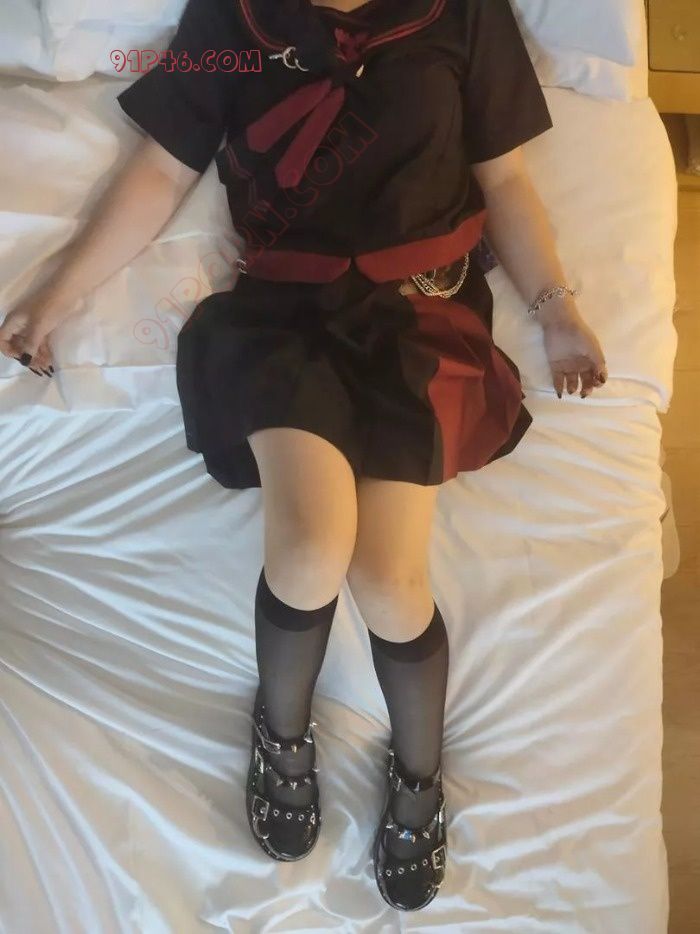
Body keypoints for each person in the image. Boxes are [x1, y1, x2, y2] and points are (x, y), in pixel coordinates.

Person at [0, 0, 607, 912]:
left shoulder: (461, 12)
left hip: (419, 318)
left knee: (390, 579)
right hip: (283, 319)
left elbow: (505, 176)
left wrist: (557, 310)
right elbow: (162, 170)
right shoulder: (233, 16)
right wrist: (54, 295)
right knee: (311, 549)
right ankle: (281, 734)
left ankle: (418, 773)